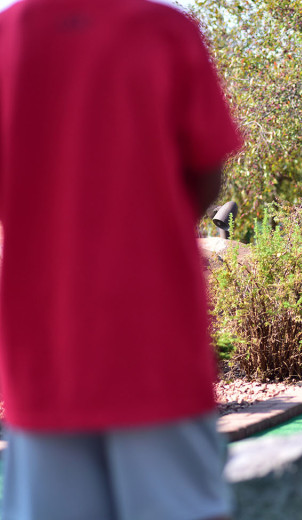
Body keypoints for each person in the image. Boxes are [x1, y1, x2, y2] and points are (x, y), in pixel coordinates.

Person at [0, 0, 241, 518]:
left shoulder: (9, 35)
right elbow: (206, 172)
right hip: (154, 342)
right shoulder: (166, 31)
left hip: (42, 349)